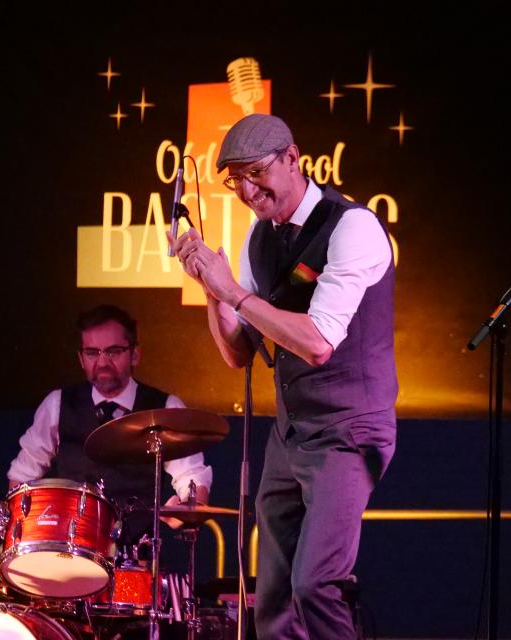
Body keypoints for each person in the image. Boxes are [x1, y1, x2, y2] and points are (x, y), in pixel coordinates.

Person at [168, 113, 397, 640]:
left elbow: (317, 342)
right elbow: (238, 353)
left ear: (292, 158)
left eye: (256, 173)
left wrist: (231, 292)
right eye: (235, 179)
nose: (247, 191)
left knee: (315, 584)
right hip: (290, 434)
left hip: (348, 430)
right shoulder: (259, 238)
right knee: (271, 597)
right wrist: (210, 288)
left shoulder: (352, 226)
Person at [7, 304, 212, 537]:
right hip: (71, 549)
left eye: (113, 352)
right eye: (92, 353)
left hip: (136, 551)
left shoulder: (165, 407)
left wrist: (186, 508)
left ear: (134, 354)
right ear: (81, 358)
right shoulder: (57, 404)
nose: (102, 362)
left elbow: (191, 476)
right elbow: (22, 477)